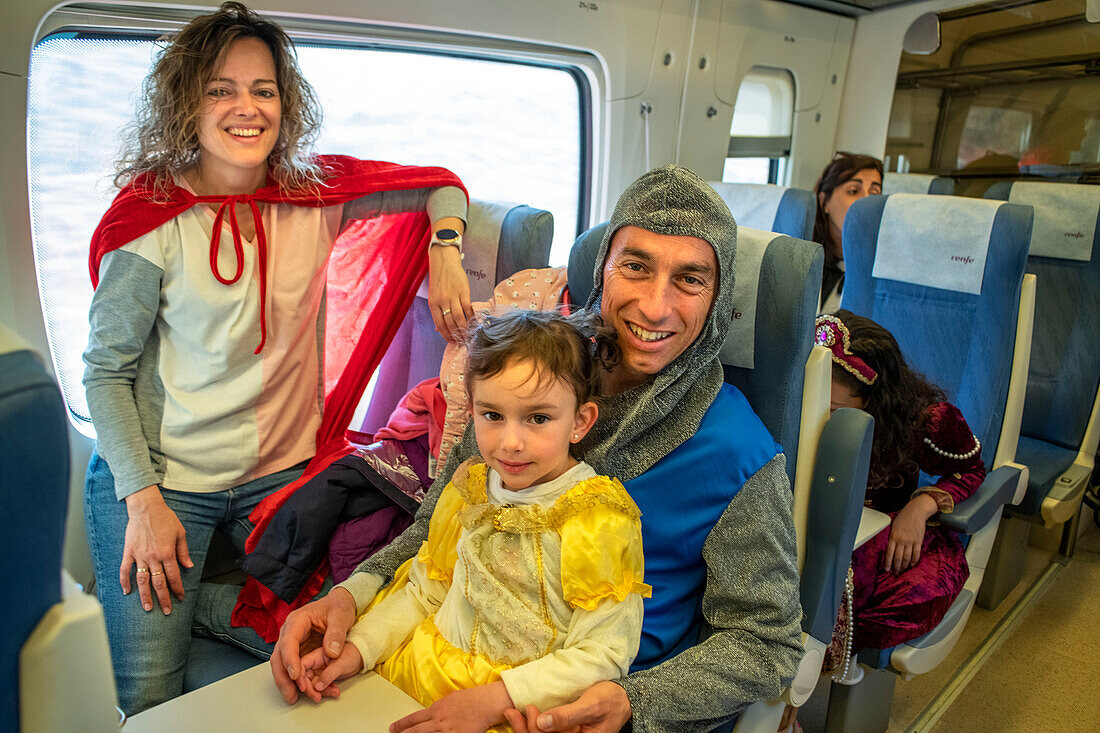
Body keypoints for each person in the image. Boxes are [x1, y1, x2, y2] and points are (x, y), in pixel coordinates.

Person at [272, 165, 805, 732]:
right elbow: (436, 532)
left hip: (584, 702)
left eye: (690, 280)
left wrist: (635, 702)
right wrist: (353, 596)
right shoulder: (527, 373)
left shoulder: (740, 453)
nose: (654, 306)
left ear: (720, 300)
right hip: (447, 665)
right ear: (603, 270)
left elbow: (766, 643)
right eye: (636, 266)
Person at [82, 2, 472, 714]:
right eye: (221, 89)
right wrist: (142, 502)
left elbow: (440, 182)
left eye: (264, 90)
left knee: (335, 654)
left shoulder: (317, 196)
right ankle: (192, 599)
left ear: (285, 105)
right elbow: (103, 372)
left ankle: (203, 601)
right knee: (148, 700)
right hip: (165, 482)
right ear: (185, 105)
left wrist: (445, 249)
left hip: (282, 477)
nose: (246, 108)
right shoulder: (150, 221)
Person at [297, 309, 651, 732]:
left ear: (580, 421)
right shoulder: (470, 487)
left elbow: (604, 653)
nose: (511, 442)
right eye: (492, 415)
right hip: (417, 675)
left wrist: (498, 697)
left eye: (538, 418)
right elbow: (424, 594)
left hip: (515, 708)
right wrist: (358, 649)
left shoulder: (598, 520)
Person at [812, 152, 882, 313]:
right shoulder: (804, 258)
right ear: (824, 202)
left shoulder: (880, 268)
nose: (866, 201)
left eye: (874, 194)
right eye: (853, 191)